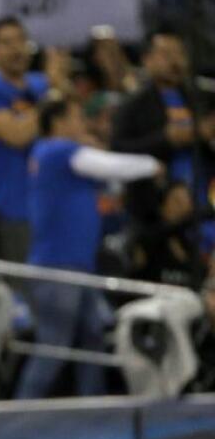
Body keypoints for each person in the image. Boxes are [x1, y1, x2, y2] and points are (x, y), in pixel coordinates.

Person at [16, 99, 162, 399]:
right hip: (59, 268)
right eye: (77, 116)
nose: (83, 123)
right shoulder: (57, 151)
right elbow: (110, 166)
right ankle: (15, 416)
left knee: (93, 337)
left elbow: (106, 179)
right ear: (58, 122)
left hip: (76, 266)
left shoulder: (52, 156)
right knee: (54, 347)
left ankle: (93, 406)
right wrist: (152, 164)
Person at [0, 17, 65, 261]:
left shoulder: (41, 84)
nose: (16, 48)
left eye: (20, 40)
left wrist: (61, 86)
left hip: (51, 202)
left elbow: (70, 128)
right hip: (10, 208)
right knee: (23, 286)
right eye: (6, 43)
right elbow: (17, 135)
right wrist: (53, 92)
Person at [111, 28, 215, 218]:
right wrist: (165, 139)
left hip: (205, 198)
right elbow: (118, 150)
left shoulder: (201, 98)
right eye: (166, 54)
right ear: (147, 59)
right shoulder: (133, 105)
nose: (175, 61)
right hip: (159, 206)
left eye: (180, 53)